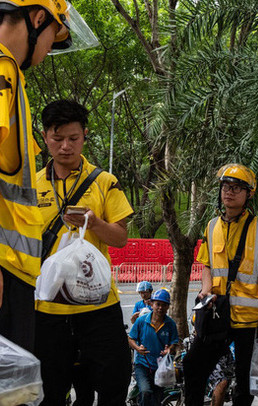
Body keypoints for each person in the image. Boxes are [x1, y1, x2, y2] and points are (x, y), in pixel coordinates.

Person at [0, 0, 96, 352]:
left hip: (15, 273)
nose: (48, 48)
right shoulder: (3, 68)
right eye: (52, 36)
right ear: (38, 19)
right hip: (6, 272)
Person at [35, 100, 133, 405]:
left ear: (85, 136)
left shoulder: (105, 182)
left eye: (73, 139)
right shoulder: (29, 186)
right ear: (44, 136)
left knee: (113, 383)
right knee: (50, 390)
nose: (65, 146)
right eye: (57, 138)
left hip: (98, 306)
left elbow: (120, 238)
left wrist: (94, 222)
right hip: (48, 309)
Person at [183, 163, 258, 406]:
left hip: (247, 318)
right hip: (216, 313)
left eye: (236, 188)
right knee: (193, 365)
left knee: (243, 383)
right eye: (225, 187)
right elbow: (206, 265)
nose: (229, 192)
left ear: (249, 194)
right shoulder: (212, 225)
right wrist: (205, 289)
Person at [128, 288, 179, 406]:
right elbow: (130, 338)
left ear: (168, 307)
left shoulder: (170, 324)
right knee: (145, 391)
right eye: (158, 304)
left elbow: (175, 342)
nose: (160, 308)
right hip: (142, 364)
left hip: (161, 367)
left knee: (157, 399)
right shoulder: (141, 321)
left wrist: (169, 349)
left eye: (164, 305)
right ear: (152, 304)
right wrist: (137, 348)